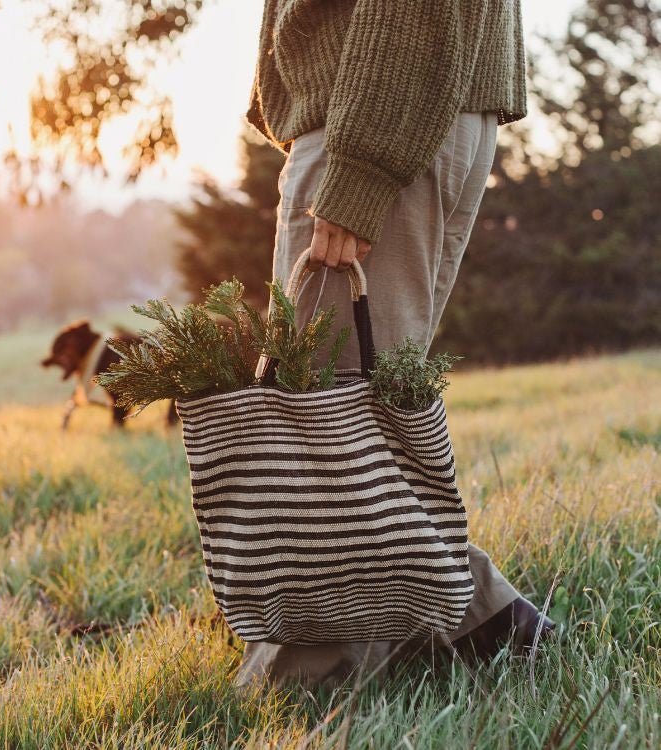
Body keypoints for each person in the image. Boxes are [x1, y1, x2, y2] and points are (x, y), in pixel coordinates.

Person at [238, 0, 554, 691]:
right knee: (365, 415)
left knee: (320, 421)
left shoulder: (374, 127)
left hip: (384, 98)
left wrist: (359, 165)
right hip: (404, 101)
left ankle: (306, 690)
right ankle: (482, 622)